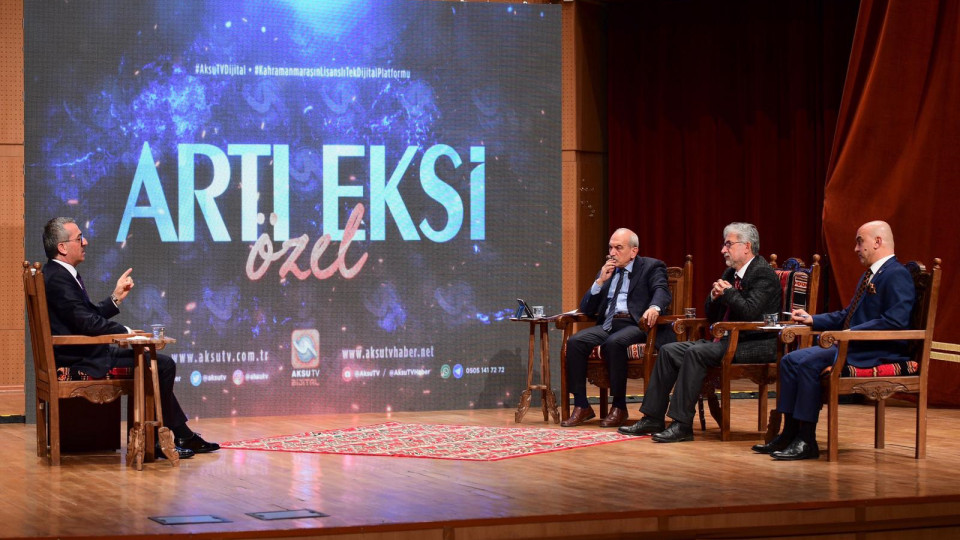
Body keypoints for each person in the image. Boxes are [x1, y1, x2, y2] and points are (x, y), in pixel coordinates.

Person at [41, 217, 219, 459]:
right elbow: (87, 323)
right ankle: (158, 440)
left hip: (83, 353)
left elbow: (84, 316)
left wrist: (114, 298)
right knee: (161, 365)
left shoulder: (57, 273)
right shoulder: (59, 277)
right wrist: (127, 332)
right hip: (81, 360)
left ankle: (178, 434)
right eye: (79, 238)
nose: (86, 242)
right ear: (62, 247)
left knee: (156, 363)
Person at [753, 220, 916, 460]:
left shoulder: (896, 274)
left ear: (878, 242)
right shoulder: (871, 275)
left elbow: (895, 321)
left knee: (808, 363)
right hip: (854, 344)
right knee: (790, 360)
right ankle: (789, 433)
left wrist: (848, 334)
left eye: (860, 242)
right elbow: (847, 315)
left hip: (877, 350)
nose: (855, 249)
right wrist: (813, 319)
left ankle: (807, 440)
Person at [619, 222, 781, 442]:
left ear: (747, 247)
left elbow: (751, 312)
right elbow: (713, 316)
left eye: (728, 244)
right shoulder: (731, 273)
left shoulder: (763, 273)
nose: (723, 250)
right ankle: (652, 418)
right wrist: (714, 297)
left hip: (754, 343)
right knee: (668, 351)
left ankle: (682, 424)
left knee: (695, 353)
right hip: (726, 340)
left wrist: (729, 293)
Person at [561, 228, 673, 428]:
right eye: (610, 248)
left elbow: (661, 291)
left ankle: (619, 407)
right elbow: (587, 309)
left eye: (618, 248)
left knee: (615, 343)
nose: (612, 253)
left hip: (636, 323)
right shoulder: (607, 270)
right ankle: (582, 405)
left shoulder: (651, 266)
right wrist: (599, 282)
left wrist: (654, 307)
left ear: (633, 251)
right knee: (576, 342)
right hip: (608, 323)